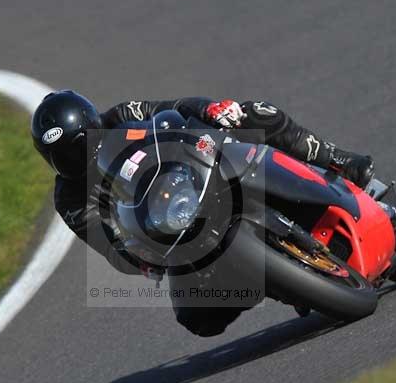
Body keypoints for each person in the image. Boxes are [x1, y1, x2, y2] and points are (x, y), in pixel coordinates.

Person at [31, 90, 376, 334]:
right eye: (60, 157)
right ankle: (285, 284)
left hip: (200, 170)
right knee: (198, 320)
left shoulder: (122, 115)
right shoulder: (69, 199)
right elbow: (105, 242)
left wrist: (212, 110)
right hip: (168, 231)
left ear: (92, 124)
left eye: (78, 147)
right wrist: (141, 260)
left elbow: (175, 107)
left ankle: (337, 160)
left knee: (255, 112)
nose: (74, 161)